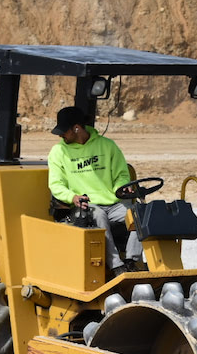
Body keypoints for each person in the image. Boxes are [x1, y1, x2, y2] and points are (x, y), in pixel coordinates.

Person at [47, 106, 145, 273]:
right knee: (99, 216)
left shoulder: (107, 146)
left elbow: (121, 174)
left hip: (113, 203)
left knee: (140, 214)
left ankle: (131, 261)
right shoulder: (58, 152)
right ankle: (116, 266)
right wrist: (72, 197)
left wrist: (121, 188)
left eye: (64, 131)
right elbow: (56, 184)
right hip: (86, 205)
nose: (60, 135)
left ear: (77, 128)